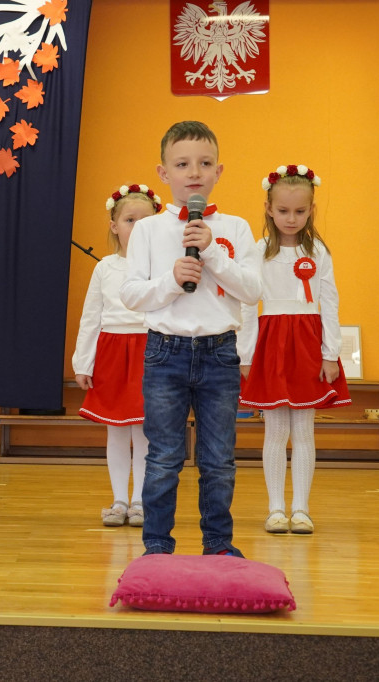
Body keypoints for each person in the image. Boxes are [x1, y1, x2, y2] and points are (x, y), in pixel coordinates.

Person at [120, 121, 261, 557]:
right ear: (164, 173)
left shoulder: (235, 228)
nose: (193, 172)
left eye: (203, 163)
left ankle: (218, 544)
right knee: (163, 457)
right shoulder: (147, 230)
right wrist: (170, 279)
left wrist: (212, 250)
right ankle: (157, 546)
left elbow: (253, 291)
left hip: (219, 353)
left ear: (219, 170)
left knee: (218, 460)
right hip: (166, 353)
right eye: (182, 164)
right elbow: (130, 294)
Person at [239, 164, 351, 535]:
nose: (291, 218)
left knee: (304, 430)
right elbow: (246, 304)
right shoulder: (257, 251)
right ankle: (275, 509)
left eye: (300, 211)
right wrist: (246, 354)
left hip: (307, 342)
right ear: (269, 209)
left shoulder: (318, 250)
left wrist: (330, 352)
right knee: (274, 430)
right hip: (271, 343)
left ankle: (301, 508)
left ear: (311, 210)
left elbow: (330, 303)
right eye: (283, 211)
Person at [73, 183, 161, 527]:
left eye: (145, 221)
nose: (137, 228)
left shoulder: (163, 268)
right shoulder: (105, 268)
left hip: (149, 352)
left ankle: (140, 500)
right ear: (115, 226)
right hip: (111, 353)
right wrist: (83, 362)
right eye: (129, 220)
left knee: (144, 431)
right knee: (116, 430)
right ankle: (119, 500)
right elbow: (91, 317)